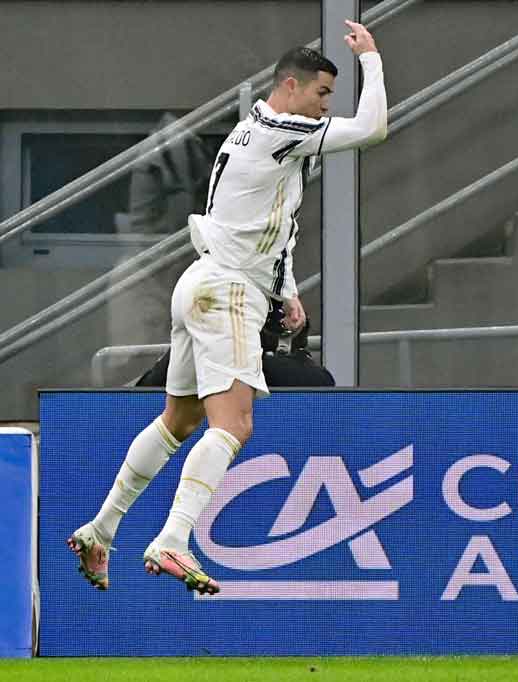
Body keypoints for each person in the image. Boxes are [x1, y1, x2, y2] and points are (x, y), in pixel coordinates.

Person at [67, 22, 387, 595]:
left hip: (201, 282)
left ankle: (101, 529)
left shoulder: (248, 131)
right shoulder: (283, 130)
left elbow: (266, 221)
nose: (326, 107)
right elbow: (373, 128)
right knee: (233, 425)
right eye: (322, 93)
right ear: (290, 87)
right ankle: (173, 538)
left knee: (178, 421)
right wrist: (372, 59)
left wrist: (286, 290)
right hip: (228, 293)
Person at [135, 300, 335, 389]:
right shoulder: (199, 352)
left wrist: (233, 359)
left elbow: (322, 382)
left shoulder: (300, 370)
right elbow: (145, 390)